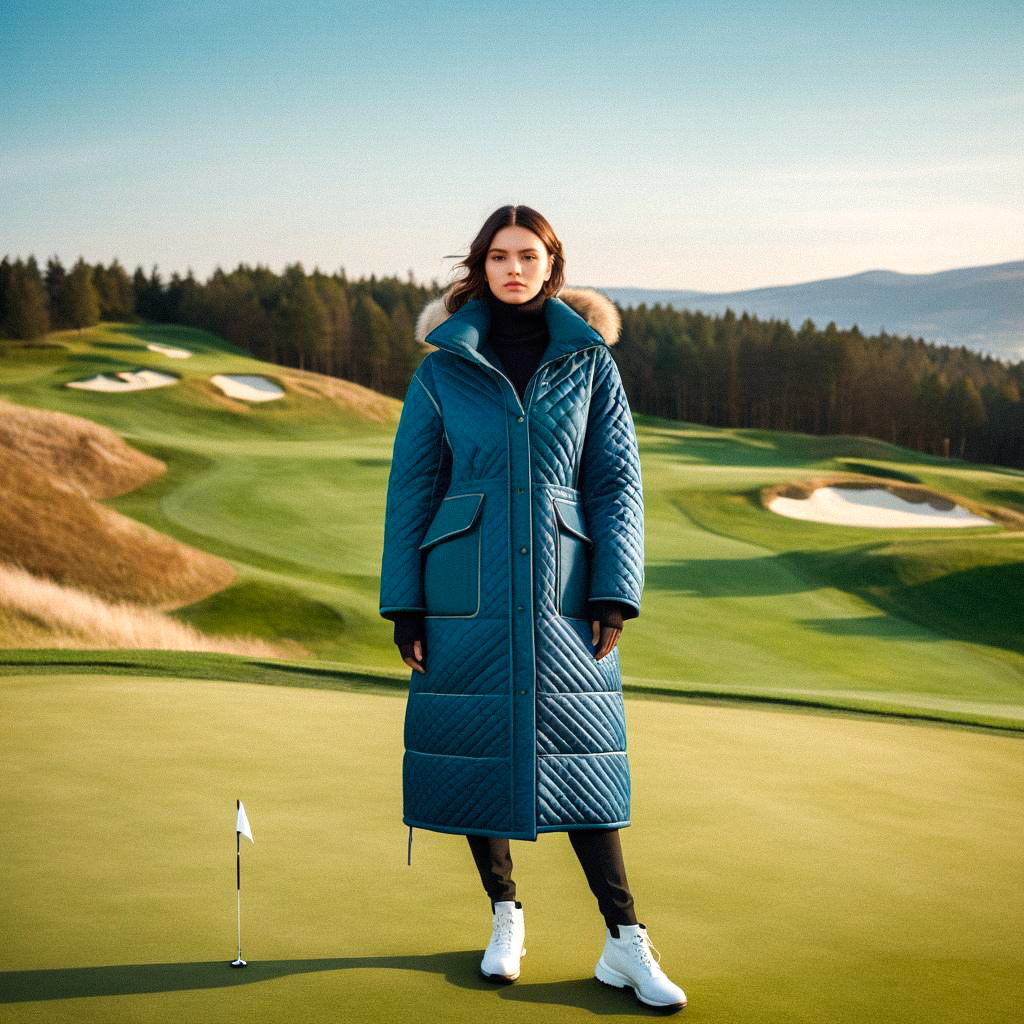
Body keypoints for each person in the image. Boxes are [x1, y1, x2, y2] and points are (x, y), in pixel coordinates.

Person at [379, 204, 686, 1011]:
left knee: (584, 760)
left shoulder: (590, 364)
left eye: (529, 255)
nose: (514, 268)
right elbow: (414, 485)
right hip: (463, 592)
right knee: (482, 747)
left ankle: (624, 942)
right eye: (499, 256)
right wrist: (406, 606)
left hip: (563, 589)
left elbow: (616, 482)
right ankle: (505, 914)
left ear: (553, 266)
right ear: (479, 267)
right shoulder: (442, 368)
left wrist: (614, 592)